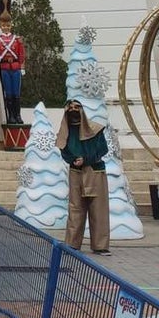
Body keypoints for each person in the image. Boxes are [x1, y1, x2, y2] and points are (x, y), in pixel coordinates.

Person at [57, 99, 111, 256]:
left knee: (98, 209)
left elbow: (103, 149)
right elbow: (64, 150)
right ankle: (72, 244)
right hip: (76, 173)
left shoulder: (95, 129)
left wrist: (86, 159)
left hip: (95, 172)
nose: (73, 110)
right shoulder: (66, 132)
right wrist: (73, 159)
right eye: (70, 108)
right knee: (75, 208)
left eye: (76, 107)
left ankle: (100, 246)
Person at [0, 0, 26, 125]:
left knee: (16, 93)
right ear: (0, 25)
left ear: (11, 25)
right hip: (5, 68)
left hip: (15, 67)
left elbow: (21, 53)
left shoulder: (16, 39)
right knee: (8, 93)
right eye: (3, 25)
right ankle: (11, 115)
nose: (6, 27)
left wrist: (22, 67)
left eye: (8, 25)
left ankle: (18, 115)